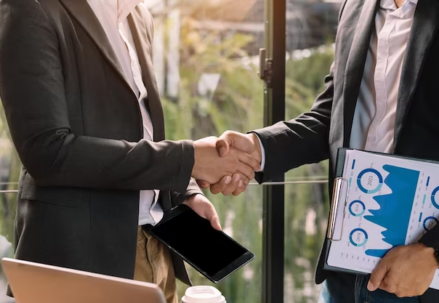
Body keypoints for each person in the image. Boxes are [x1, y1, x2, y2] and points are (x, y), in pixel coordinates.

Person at [0, 1, 259, 302]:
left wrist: (185, 191)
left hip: (158, 250)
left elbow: (140, 130)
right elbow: (47, 152)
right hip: (82, 261)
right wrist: (186, 159)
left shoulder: (138, 15)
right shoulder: (31, 7)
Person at [200, 0, 439, 302]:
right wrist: (255, 148)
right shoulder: (356, 7)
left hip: (421, 278)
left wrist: (433, 251)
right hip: (344, 269)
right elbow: (330, 118)